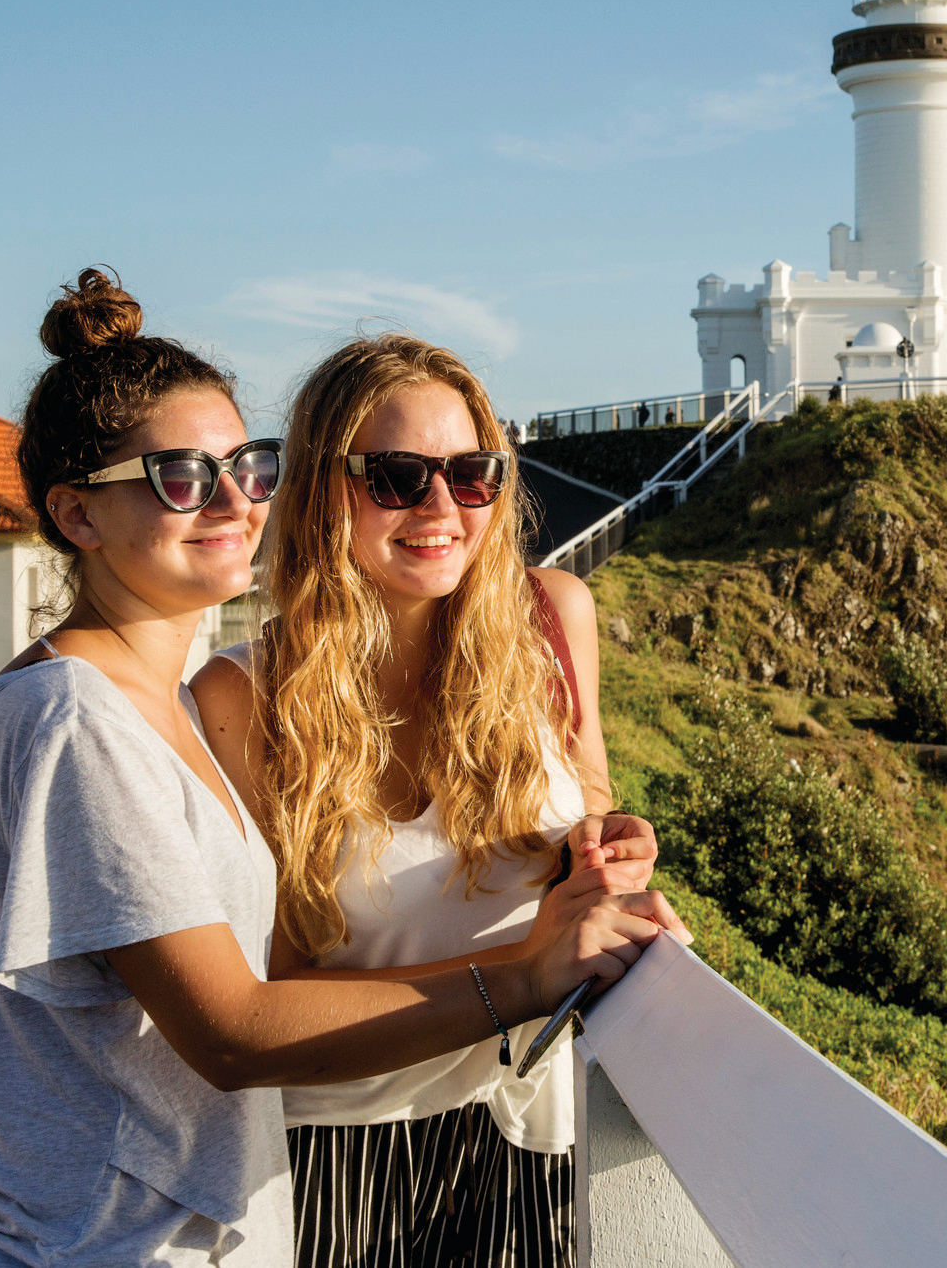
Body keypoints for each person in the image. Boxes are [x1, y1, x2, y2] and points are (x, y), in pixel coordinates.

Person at [0, 275, 677, 1268]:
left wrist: (594, 854)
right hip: (129, 1229)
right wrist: (529, 971)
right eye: (179, 479)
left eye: (245, 468)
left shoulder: (144, 706)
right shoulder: (93, 716)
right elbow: (238, 1025)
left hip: (238, 1207)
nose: (236, 501)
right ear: (77, 517)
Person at [191, 335, 660, 1268]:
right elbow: (265, 997)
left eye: (472, 473)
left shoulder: (554, 623)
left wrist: (608, 849)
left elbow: (588, 794)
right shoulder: (240, 702)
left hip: (528, 1126)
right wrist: (523, 969)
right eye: (399, 477)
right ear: (326, 488)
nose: (442, 507)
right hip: (338, 1156)